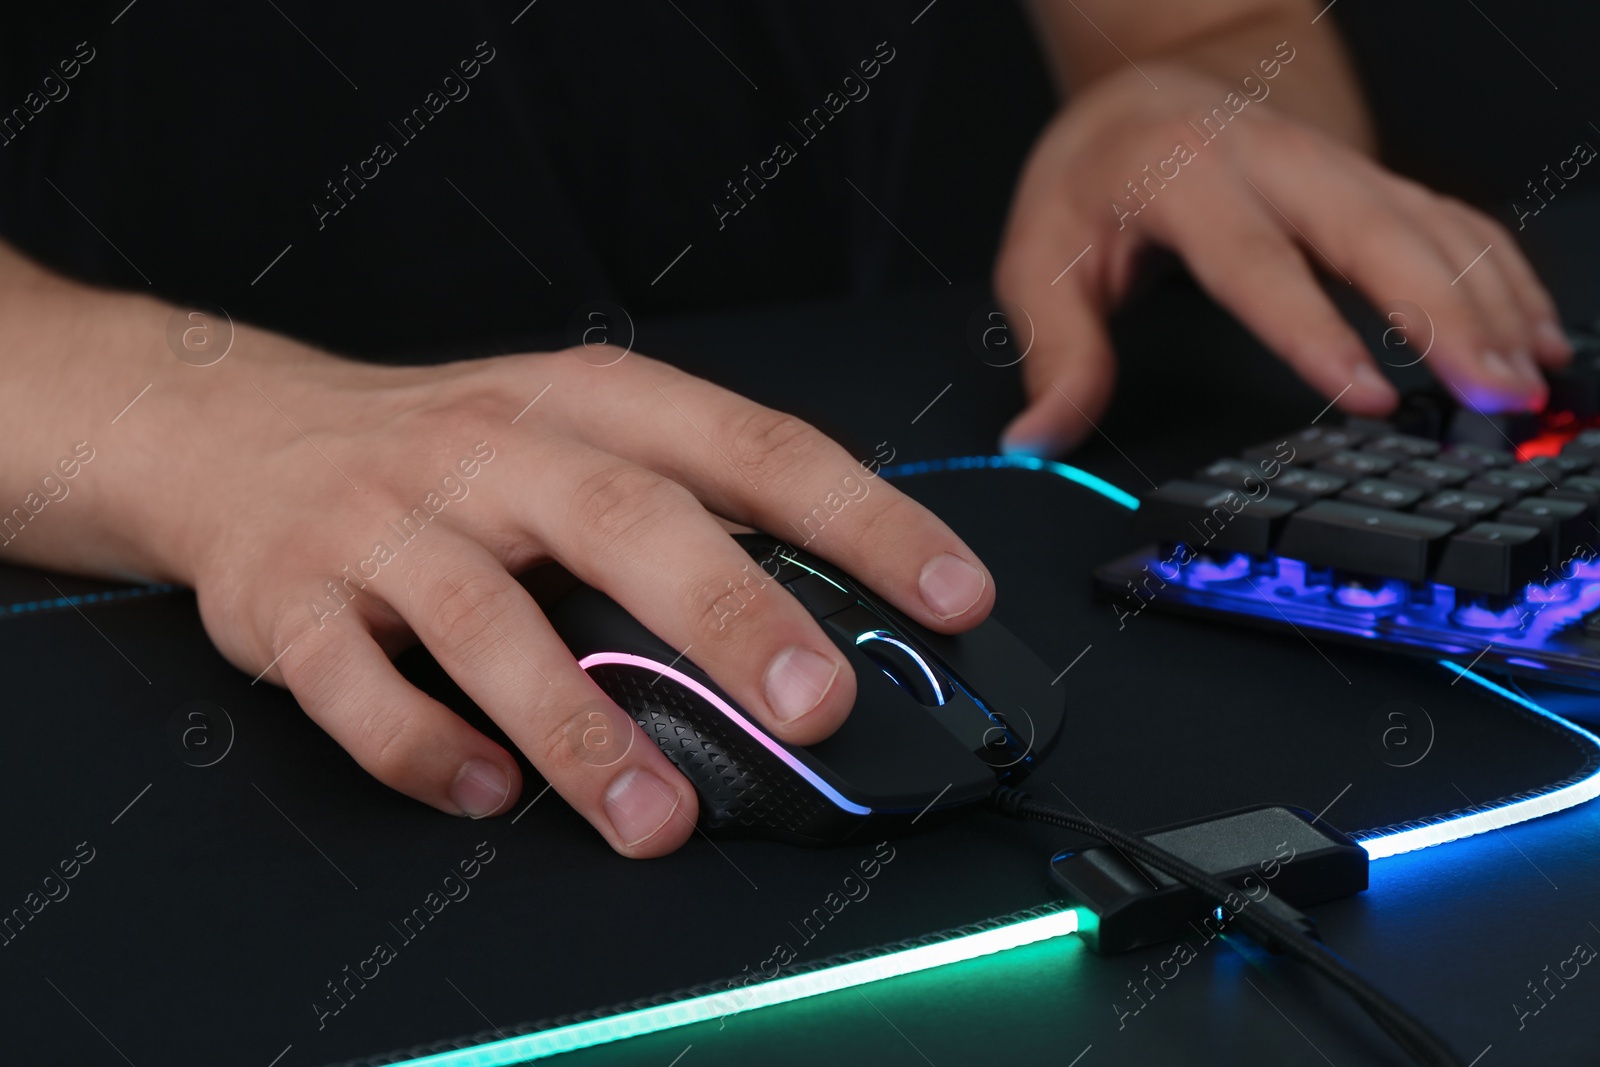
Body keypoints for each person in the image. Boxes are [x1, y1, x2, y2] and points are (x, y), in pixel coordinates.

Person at [0, 0, 1565, 857]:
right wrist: (190, 421)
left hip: (968, 424)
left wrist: (1194, 107)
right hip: (172, 557)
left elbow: (1218, 30)